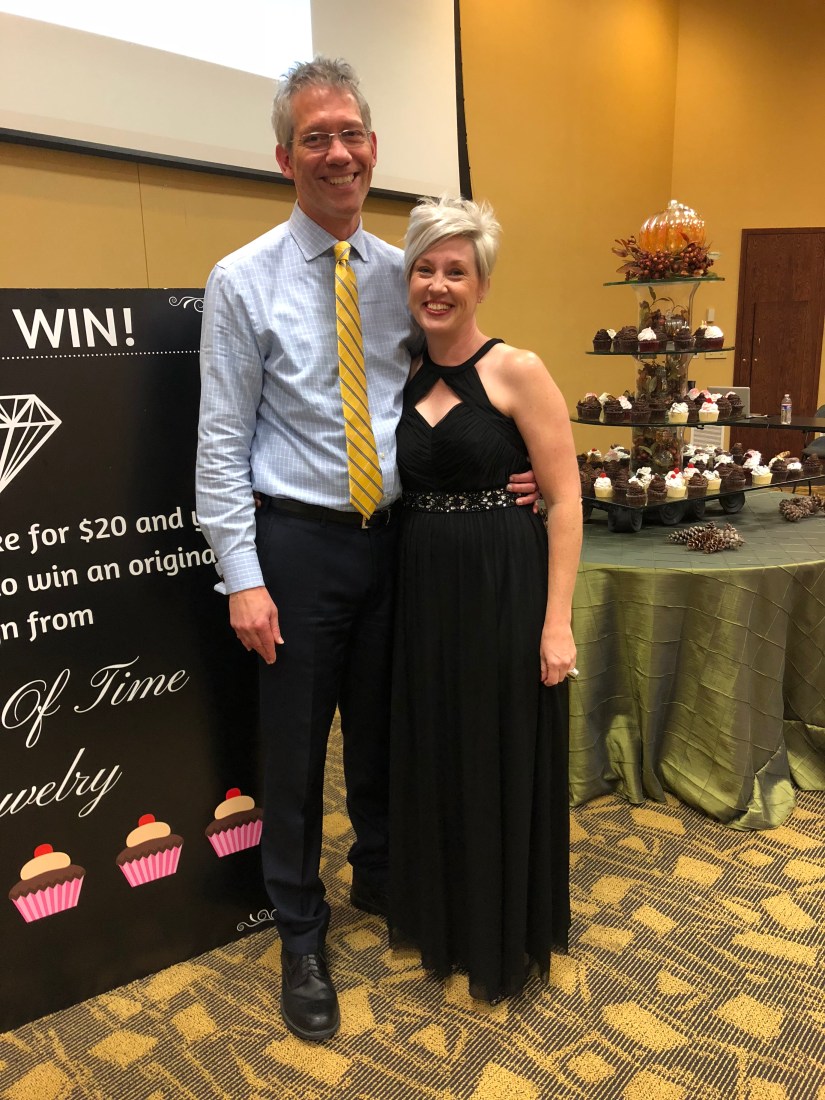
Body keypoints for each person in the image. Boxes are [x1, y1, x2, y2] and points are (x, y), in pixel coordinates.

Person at [195, 58, 537, 1042]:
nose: (337, 152)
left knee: (390, 730)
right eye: (316, 138)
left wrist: (517, 463)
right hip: (296, 547)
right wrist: (243, 578)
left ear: (375, 148)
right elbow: (220, 444)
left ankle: (381, 877)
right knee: (297, 753)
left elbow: (466, 379)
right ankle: (301, 932)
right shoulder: (241, 280)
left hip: (402, 541)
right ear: (285, 158)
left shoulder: (406, 272)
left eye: (351, 133)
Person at [389, 195, 582, 1002]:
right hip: (422, 587)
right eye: (424, 269)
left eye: (456, 272)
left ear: (482, 285)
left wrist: (556, 623)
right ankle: (446, 913)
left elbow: (563, 500)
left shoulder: (517, 369)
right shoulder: (396, 368)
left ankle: (501, 927)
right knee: (437, 744)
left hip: (504, 584)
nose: (438, 285)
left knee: (498, 744)